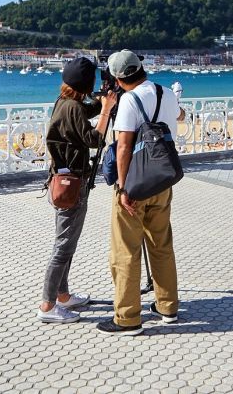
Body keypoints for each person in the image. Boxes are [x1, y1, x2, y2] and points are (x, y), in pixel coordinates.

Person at [97, 50, 185, 336]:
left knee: (126, 250)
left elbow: (123, 147)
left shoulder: (129, 101)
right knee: (161, 244)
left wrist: (123, 188)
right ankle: (168, 306)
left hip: (135, 183)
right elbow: (180, 116)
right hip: (162, 181)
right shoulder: (166, 94)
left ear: (119, 77)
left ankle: (127, 318)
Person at [38, 57, 117, 324]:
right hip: (71, 185)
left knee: (67, 243)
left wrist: (103, 102)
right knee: (63, 246)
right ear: (86, 83)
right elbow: (94, 140)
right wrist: (106, 110)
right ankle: (47, 305)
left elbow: (84, 113)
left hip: (66, 181)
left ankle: (63, 295)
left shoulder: (65, 102)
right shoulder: (71, 107)